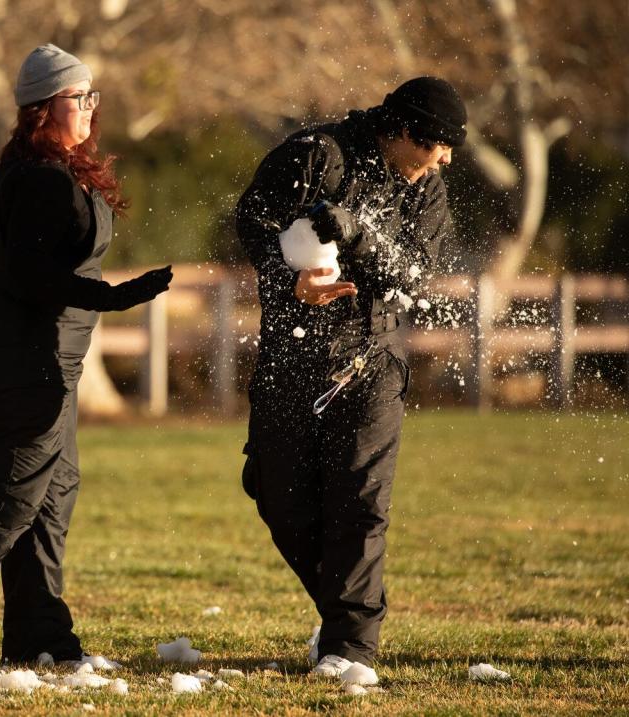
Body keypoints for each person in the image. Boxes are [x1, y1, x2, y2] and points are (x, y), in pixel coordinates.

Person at [0, 43, 172, 670]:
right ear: (42, 107)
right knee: (8, 497)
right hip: (26, 358)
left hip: (44, 353)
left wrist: (52, 300)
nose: (91, 107)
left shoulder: (35, 168)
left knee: (52, 492)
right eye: (78, 97)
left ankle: (42, 639)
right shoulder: (36, 175)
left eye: (93, 95)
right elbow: (22, 268)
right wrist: (107, 297)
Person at [235, 77, 466, 679]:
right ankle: (344, 619)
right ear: (403, 131)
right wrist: (289, 282)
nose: (445, 160)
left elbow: (409, 279)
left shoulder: (428, 192)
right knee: (277, 496)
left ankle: (349, 649)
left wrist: (358, 236)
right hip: (292, 357)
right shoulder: (316, 155)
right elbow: (252, 221)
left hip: (373, 361)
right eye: (437, 145)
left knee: (361, 504)